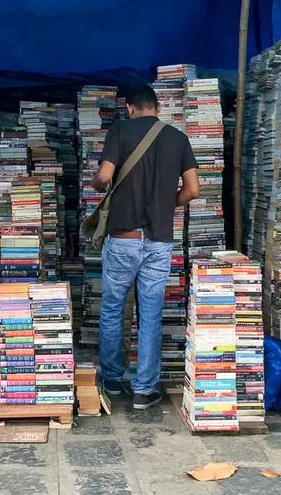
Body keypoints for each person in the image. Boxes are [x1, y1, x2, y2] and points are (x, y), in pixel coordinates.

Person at [92, 83, 199, 409]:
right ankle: (144, 390)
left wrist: (97, 182)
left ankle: (111, 381)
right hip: (158, 242)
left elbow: (105, 176)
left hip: (123, 240)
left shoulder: (120, 132)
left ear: (129, 108)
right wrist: (167, 205)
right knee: (150, 314)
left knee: (112, 310)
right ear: (158, 107)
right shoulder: (177, 138)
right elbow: (193, 190)